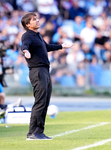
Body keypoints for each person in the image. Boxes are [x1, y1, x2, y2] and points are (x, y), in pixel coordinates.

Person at [21, 12, 73, 140]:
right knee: (40, 101)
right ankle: (32, 133)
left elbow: (47, 47)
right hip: (37, 71)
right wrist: (26, 52)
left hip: (44, 70)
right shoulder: (27, 35)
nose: (37, 21)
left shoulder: (37, 35)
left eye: (37, 18)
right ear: (28, 25)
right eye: (34, 20)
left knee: (45, 101)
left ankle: (39, 131)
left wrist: (62, 46)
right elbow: (24, 45)